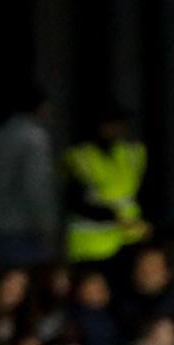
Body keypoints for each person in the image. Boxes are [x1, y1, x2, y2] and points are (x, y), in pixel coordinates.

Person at [0, 85, 59, 267]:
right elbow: (36, 187)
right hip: (25, 229)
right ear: (40, 107)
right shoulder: (34, 138)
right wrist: (47, 228)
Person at [63, 105, 149, 265]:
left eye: (119, 124)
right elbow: (74, 201)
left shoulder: (133, 154)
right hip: (90, 244)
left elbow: (143, 192)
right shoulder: (80, 157)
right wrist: (112, 217)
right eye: (109, 124)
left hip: (129, 240)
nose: (115, 129)